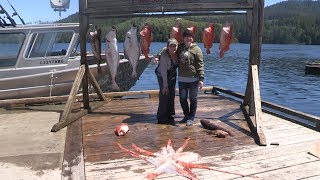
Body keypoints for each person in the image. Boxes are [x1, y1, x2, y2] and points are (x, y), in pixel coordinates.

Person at [177, 29, 204, 126]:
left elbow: (200, 64)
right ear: (183, 38)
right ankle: (186, 116)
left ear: (192, 38)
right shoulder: (179, 47)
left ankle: (191, 118)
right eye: (186, 36)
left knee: (193, 98)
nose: (188, 38)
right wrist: (158, 56)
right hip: (182, 79)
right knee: (182, 98)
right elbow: (168, 49)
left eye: (190, 36)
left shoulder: (197, 49)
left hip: (194, 79)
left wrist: (201, 79)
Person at [155, 38, 179, 126]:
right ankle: (161, 117)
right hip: (162, 75)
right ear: (168, 47)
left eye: (175, 46)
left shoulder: (178, 53)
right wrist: (165, 85)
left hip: (172, 75)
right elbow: (164, 72)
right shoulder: (164, 55)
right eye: (171, 46)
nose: (173, 48)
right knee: (164, 94)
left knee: (172, 94)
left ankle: (170, 115)